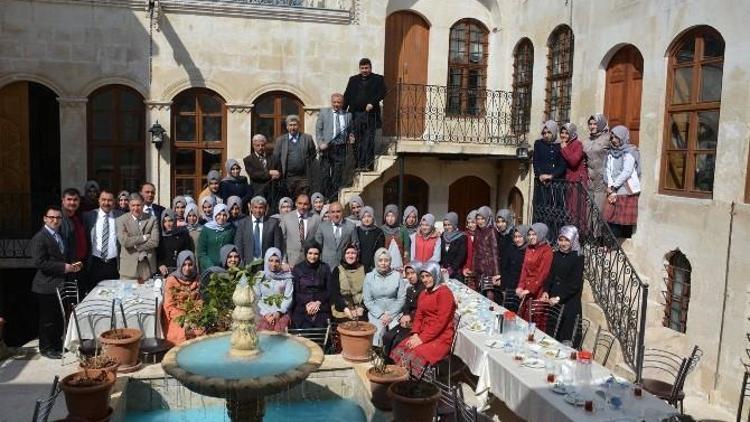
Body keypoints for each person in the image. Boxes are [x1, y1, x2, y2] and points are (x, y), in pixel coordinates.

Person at [30, 206, 82, 359]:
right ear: (45, 219)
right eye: (51, 217)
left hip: (59, 284)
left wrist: (73, 265)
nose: (55, 220)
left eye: (58, 218)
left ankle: (56, 345)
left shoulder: (59, 236)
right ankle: (46, 348)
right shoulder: (40, 237)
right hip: (46, 286)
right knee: (47, 319)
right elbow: (39, 263)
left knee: (58, 317)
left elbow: (62, 258)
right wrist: (63, 267)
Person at [390, 262, 456, 368]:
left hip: (440, 337)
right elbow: (419, 316)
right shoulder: (424, 293)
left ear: (436, 275)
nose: (425, 280)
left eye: (428, 276)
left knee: (414, 353)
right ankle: (403, 379)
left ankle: (411, 380)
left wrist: (422, 339)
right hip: (424, 332)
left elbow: (441, 322)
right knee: (402, 347)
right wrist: (415, 333)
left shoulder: (444, 293)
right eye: (423, 277)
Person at [542, 226, 584, 343]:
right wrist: (546, 290)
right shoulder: (556, 254)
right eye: (561, 240)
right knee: (551, 335)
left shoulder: (578, 257)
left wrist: (559, 297)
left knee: (565, 338)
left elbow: (575, 284)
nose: (563, 243)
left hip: (569, 303)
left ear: (573, 240)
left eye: (567, 240)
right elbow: (550, 275)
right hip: (554, 301)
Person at [343, 58, 387, 171]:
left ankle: (368, 165)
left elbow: (383, 92)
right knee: (356, 141)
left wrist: (372, 103)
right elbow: (347, 96)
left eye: (366, 68)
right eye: (362, 68)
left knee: (368, 140)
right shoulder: (353, 80)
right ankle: (358, 165)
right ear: (359, 68)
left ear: (370, 68)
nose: (364, 70)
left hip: (370, 115)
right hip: (355, 115)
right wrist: (342, 112)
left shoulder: (378, 79)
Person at [363, 248, 406, 346]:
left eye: (386, 260)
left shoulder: (397, 276)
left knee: (395, 334)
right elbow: (368, 300)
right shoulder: (369, 277)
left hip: (394, 312)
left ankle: (392, 358)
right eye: (380, 260)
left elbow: (401, 298)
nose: (383, 263)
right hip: (376, 313)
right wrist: (381, 315)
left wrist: (390, 314)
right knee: (377, 334)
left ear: (390, 262)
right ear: (376, 261)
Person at [605, 125, 641, 239]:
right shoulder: (611, 152)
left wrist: (615, 187)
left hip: (625, 189)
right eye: (612, 137)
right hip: (613, 189)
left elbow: (627, 171)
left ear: (623, 137)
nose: (614, 140)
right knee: (611, 218)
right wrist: (610, 185)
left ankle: (618, 246)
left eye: (617, 137)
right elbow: (608, 169)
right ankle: (611, 244)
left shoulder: (630, 151)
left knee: (621, 220)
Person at [83, 189, 122, 295]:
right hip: (95, 264)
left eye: (109, 200)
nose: (106, 203)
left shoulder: (120, 216)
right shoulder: (88, 216)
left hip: (114, 265)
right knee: (94, 296)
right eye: (103, 199)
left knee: (114, 296)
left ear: (114, 202)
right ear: (98, 201)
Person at [516, 223, 554, 327]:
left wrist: (530, 289)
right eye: (530, 234)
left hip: (538, 290)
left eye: (534, 234)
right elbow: (524, 269)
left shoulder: (547, 250)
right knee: (523, 320)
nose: (531, 237)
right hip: (526, 289)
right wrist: (520, 286)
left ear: (541, 234)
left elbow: (543, 273)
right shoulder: (529, 248)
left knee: (535, 322)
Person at [316, 93, 354, 198]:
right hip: (327, 147)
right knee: (325, 173)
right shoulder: (324, 112)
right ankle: (325, 197)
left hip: (341, 147)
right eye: (334, 102)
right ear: (331, 102)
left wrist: (351, 136)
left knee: (338, 173)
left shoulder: (348, 115)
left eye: (339, 102)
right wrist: (320, 143)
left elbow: (350, 131)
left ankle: (333, 197)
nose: (336, 104)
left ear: (342, 103)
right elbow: (318, 130)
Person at [382, 262, 423, 358]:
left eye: (412, 273)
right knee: (387, 336)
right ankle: (386, 361)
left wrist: (410, 316)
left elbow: (423, 310)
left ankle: (395, 365)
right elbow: (406, 306)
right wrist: (405, 315)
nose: (410, 276)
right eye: (408, 273)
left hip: (418, 323)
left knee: (398, 340)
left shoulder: (424, 290)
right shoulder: (410, 289)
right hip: (407, 322)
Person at [116, 193, 159, 280]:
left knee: (146, 293)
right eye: (133, 205)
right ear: (129, 206)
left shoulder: (152, 219)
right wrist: (143, 238)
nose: (136, 208)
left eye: (138, 205)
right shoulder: (121, 220)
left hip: (146, 267)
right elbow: (124, 241)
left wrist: (137, 246)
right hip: (128, 269)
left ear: (143, 204)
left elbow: (155, 242)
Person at [290, 242, 334, 329]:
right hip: (302, 305)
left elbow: (329, 290)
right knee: (302, 326)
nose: (313, 257)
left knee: (322, 326)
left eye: (316, 254)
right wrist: (307, 304)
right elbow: (295, 292)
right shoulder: (298, 268)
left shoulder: (325, 267)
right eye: (310, 253)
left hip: (321, 304)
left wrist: (318, 303)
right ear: (306, 253)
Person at [163, 250, 202, 345]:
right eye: (184, 265)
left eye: (190, 264)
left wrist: (194, 315)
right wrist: (184, 319)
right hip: (177, 316)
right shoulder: (172, 280)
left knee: (200, 331)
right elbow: (169, 305)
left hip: (194, 314)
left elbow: (199, 300)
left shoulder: (197, 278)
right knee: (180, 333)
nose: (187, 268)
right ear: (179, 265)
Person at [272, 115, 317, 197]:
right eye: (290, 125)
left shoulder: (307, 138)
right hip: (287, 178)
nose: (293, 128)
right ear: (287, 127)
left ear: (299, 126)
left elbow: (313, 155)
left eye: (294, 125)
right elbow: (276, 159)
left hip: (304, 178)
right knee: (289, 201)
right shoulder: (280, 140)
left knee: (303, 199)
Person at [234, 196, 284, 265]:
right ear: (251, 208)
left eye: (261, 207)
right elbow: (238, 245)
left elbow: (277, 246)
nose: (258, 211)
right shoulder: (243, 223)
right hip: (247, 264)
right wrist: (241, 263)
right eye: (255, 207)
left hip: (268, 264)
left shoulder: (273, 223)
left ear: (265, 209)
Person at [255, 247, 294, 332]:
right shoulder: (260, 276)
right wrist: (266, 314)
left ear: (280, 262)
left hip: (281, 312)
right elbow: (256, 298)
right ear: (266, 261)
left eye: (277, 261)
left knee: (279, 332)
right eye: (271, 260)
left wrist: (278, 313)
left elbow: (288, 298)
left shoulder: (286, 277)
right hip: (263, 312)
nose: (274, 264)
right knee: (263, 333)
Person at [314, 201, 357, 272]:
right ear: (329, 213)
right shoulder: (322, 226)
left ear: (342, 212)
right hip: (326, 266)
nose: (335, 214)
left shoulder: (351, 226)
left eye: (338, 211)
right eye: (332, 212)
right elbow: (318, 247)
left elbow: (355, 246)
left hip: (345, 266)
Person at [560, 123, 589, 228]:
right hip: (569, 181)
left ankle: (579, 234)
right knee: (570, 209)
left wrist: (564, 149)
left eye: (566, 133)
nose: (563, 135)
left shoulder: (577, 144)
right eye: (562, 133)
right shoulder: (565, 144)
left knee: (577, 210)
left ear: (571, 134)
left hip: (577, 181)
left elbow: (574, 161)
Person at [280, 194, 321, 267]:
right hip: (291, 261)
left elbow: (319, 240)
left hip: (310, 260)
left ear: (309, 205)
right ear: (296, 204)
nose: (302, 206)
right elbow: (282, 241)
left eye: (305, 204)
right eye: (300, 203)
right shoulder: (286, 218)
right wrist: (283, 261)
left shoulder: (316, 219)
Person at [330, 244, 366, 322]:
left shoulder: (364, 269)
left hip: (360, 308)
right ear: (344, 255)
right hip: (343, 308)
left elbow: (369, 291)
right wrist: (345, 309)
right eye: (347, 253)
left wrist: (362, 307)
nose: (350, 256)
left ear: (357, 255)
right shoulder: (337, 270)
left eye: (353, 253)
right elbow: (334, 293)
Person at [197, 204, 236, 271]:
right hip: (209, 269)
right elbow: (201, 253)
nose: (221, 217)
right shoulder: (206, 229)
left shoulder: (231, 229)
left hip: (227, 269)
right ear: (215, 215)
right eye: (219, 214)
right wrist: (210, 266)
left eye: (224, 215)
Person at [473, 206, 500, 301]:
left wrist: (496, 273)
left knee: (489, 294)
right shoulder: (477, 231)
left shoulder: (492, 231)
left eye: (482, 219)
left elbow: (495, 252)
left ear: (488, 218)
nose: (480, 221)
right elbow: (475, 250)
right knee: (478, 293)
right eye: (478, 219)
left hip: (489, 268)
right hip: (478, 267)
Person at [500, 225, 529, 311]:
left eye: (520, 237)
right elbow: (504, 268)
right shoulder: (511, 247)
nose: (517, 240)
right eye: (515, 237)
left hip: (520, 288)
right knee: (506, 311)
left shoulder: (528, 251)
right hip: (509, 287)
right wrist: (503, 288)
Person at [585, 113, 610, 211]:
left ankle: (598, 227)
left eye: (595, 124)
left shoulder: (608, 138)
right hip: (589, 180)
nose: (592, 126)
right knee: (588, 211)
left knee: (598, 211)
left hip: (602, 181)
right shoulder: (587, 140)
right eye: (590, 124)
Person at [157, 209, 194, 276]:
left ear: (174, 220)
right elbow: (157, 255)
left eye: (170, 221)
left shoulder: (183, 235)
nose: (168, 224)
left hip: (180, 271)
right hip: (164, 272)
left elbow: (187, 254)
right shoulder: (160, 237)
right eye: (165, 221)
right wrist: (160, 265)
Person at [243, 134, 279, 199]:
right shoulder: (248, 160)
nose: (260, 147)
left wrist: (277, 174)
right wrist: (270, 173)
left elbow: (278, 173)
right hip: (258, 192)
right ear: (253, 145)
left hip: (273, 192)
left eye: (262, 145)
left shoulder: (274, 158)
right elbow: (254, 175)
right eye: (257, 145)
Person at [440, 212, 467, 282]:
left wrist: (451, 269)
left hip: (456, 273)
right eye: (445, 225)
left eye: (449, 225)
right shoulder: (442, 236)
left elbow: (461, 256)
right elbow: (441, 253)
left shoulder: (462, 237)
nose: (447, 227)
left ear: (454, 224)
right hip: (443, 272)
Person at [381, 204, 409, 270]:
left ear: (396, 216)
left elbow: (406, 250)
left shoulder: (403, 230)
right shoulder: (381, 230)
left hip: (400, 267)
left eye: (393, 216)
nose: (390, 219)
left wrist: (406, 266)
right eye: (388, 216)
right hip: (385, 266)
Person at [357, 206, 385, 273]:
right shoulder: (357, 231)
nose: (366, 219)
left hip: (373, 267)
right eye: (364, 217)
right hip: (358, 267)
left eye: (369, 216)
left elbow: (380, 251)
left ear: (373, 217)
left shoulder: (378, 232)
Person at [462, 210, 478, 290]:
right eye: (468, 222)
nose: (470, 225)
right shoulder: (464, 235)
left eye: (473, 222)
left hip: (479, 270)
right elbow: (464, 255)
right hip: (467, 270)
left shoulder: (482, 235)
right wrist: (465, 267)